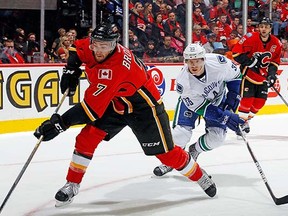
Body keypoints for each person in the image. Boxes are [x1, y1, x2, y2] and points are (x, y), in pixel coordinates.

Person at [33, 23, 217, 207]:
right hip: (116, 101)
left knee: (167, 155)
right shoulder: (96, 46)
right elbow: (77, 48)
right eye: (95, 44)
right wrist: (71, 69)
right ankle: (72, 184)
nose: (98, 49)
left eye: (103, 46)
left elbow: (90, 109)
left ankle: (201, 177)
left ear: (114, 45)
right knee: (87, 137)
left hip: (144, 108)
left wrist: (60, 124)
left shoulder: (117, 67)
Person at [153, 43, 244, 176]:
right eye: (190, 62)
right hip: (192, 104)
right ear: (186, 62)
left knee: (217, 138)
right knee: (180, 135)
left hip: (218, 100)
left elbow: (235, 77)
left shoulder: (219, 62)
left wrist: (231, 104)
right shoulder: (184, 83)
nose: (194, 65)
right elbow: (202, 108)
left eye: (197, 61)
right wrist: (225, 117)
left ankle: (194, 150)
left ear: (203, 59)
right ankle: (170, 161)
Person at [232, 17, 282, 134]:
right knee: (247, 100)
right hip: (248, 75)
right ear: (259, 27)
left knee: (260, 103)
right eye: (262, 26)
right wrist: (251, 63)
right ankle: (241, 124)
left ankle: (245, 121)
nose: (264, 29)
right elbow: (236, 53)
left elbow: (274, 61)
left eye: (266, 27)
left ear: (270, 28)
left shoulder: (276, 43)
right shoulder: (249, 37)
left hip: (262, 78)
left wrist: (271, 75)